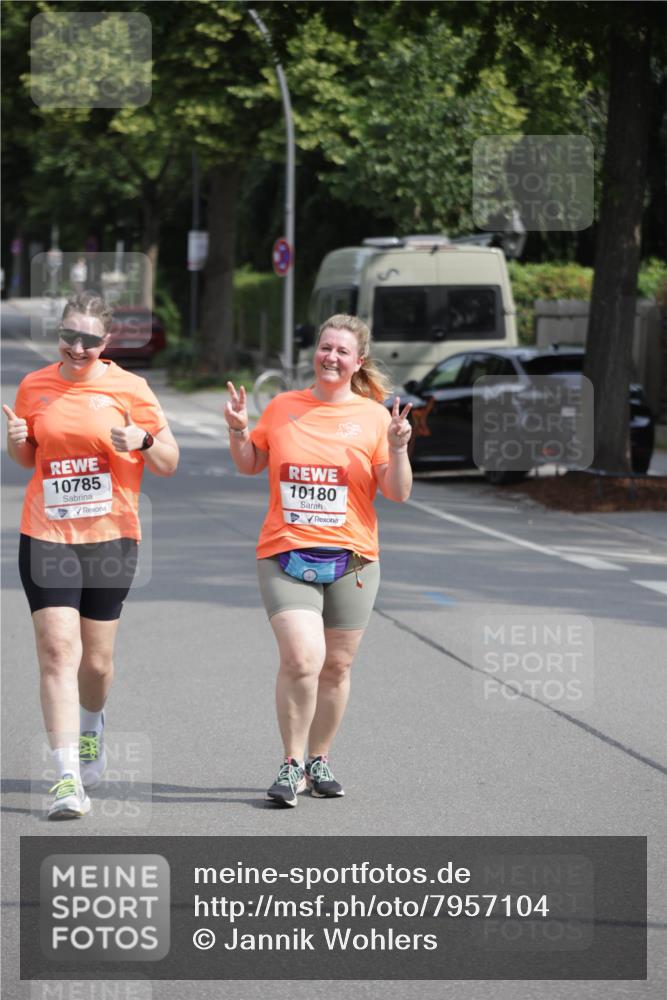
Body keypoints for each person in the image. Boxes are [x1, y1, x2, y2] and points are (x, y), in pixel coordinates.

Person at [3, 291, 179, 819]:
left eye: (89, 339)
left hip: (110, 537)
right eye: (69, 336)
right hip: (47, 531)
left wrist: (144, 440)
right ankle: (65, 778)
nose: (77, 347)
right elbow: (26, 458)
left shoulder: (130, 387)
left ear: (106, 343)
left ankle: (91, 723)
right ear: (59, 334)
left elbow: (169, 461)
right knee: (59, 651)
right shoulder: (35, 385)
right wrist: (15, 438)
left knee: (96, 663)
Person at [225, 313, 412, 807]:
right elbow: (249, 464)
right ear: (316, 351)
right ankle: (291, 765)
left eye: (342, 351)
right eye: (325, 347)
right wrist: (239, 431)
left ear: (358, 361)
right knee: (303, 658)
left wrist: (398, 448)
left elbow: (395, 492)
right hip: (285, 550)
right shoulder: (285, 406)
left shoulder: (374, 417)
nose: (331, 357)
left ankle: (319, 758)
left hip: (353, 561)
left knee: (337, 668)